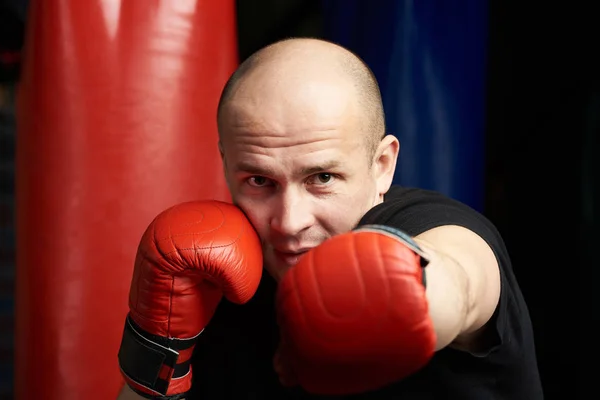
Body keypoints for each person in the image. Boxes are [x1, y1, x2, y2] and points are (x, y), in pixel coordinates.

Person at [116, 38, 543, 399]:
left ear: (382, 166)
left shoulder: (434, 224)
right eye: (260, 180)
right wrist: (157, 345)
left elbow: (462, 282)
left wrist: (396, 300)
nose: (288, 222)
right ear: (226, 163)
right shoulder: (210, 273)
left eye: (322, 177)